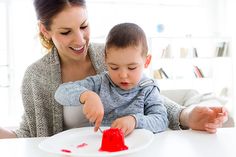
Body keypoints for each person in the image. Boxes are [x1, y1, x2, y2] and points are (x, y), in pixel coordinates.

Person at [0, 0, 227, 139]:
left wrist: (187, 115)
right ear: (45, 30)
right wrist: (86, 95)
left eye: (84, 26)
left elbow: (151, 99)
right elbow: (30, 133)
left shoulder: (109, 55)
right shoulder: (35, 77)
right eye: (66, 32)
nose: (80, 40)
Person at [54, 22, 169, 136]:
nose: (123, 75)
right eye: (114, 67)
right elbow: (61, 92)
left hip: (136, 146)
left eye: (131, 67)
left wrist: (134, 121)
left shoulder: (148, 88)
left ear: (147, 61)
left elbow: (161, 120)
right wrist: (87, 95)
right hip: (100, 145)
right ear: (105, 60)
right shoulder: (101, 82)